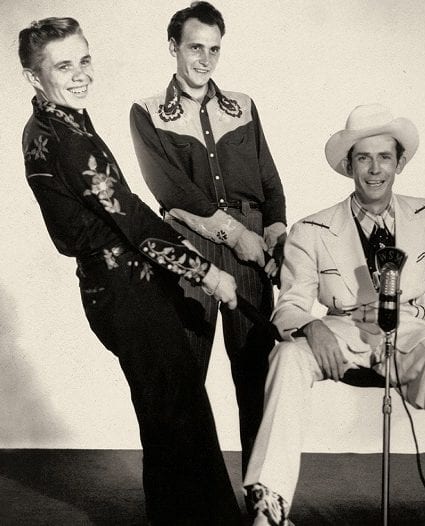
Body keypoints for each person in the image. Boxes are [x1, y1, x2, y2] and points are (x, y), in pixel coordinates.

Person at [19, 17, 241, 524]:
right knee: (174, 414)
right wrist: (206, 272)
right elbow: (133, 222)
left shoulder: (63, 121)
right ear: (35, 77)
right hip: (123, 293)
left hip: (125, 286)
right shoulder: (62, 136)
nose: (79, 75)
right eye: (63, 66)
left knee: (174, 412)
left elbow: (121, 209)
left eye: (84, 59)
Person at [242, 104, 425, 526]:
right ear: (349, 165)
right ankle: (269, 507)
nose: (375, 169)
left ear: (399, 161)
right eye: (363, 158)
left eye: (385, 157)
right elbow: (290, 305)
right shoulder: (311, 230)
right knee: (287, 358)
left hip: (410, 332)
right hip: (341, 331)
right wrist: (311, 327)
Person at [129, 1, 286, 474]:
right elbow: (169, 189)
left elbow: (270, 182)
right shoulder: (148, 113)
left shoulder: (243, 106)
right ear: (173, 47)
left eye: (214, 50)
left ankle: (264, 498)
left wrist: (275, 233)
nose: (204, 59)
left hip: (253, 252)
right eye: (195, 47)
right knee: (183, 377)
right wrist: (235, 233)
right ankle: (184, 503)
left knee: (255, 376)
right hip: (189, 252)